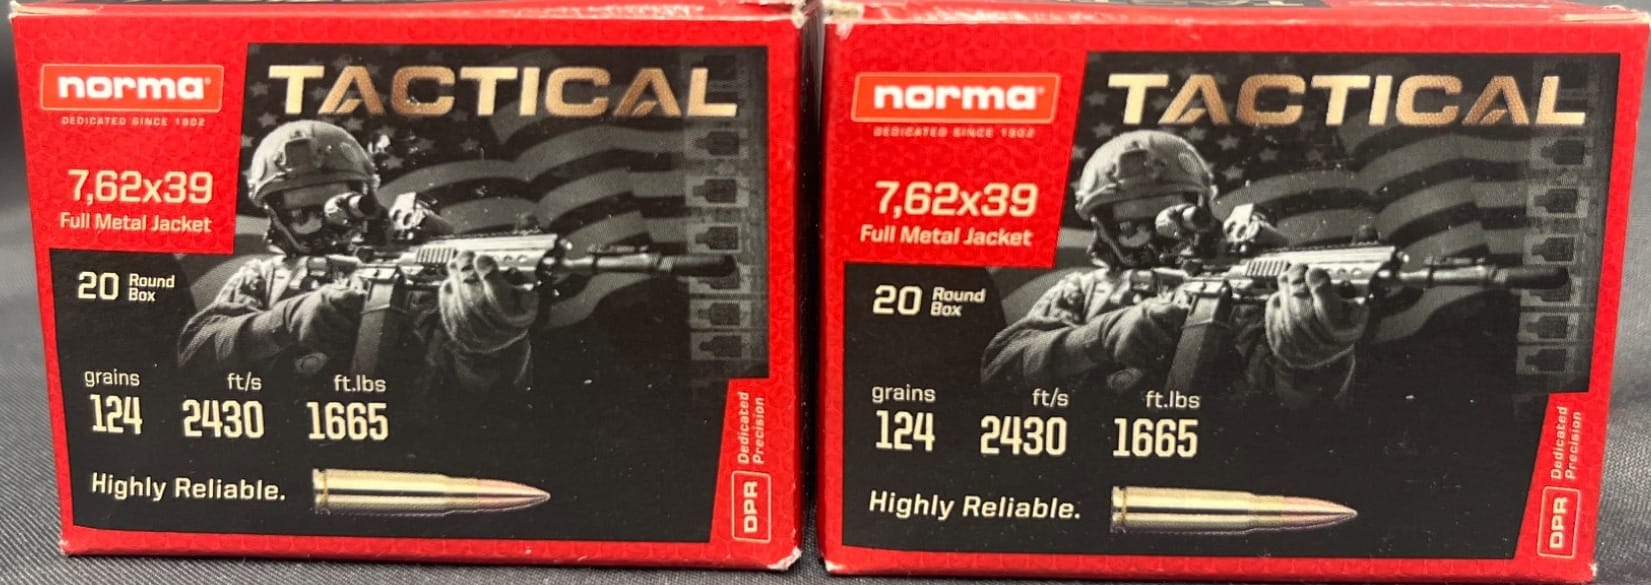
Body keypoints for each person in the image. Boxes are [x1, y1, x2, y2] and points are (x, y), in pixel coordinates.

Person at [980, 130, 1368, 408]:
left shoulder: (1237, 291)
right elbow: (1000, 370)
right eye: (1130, 228)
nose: (1155, 239)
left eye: (1169, 219)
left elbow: (1295, 403)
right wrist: (1102, 336)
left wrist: (1315, 353)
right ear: (1104, 231)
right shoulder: (1082, 292)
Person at [177, 120, 538, 392]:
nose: (327, 224)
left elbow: (481, 392)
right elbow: (194, 355)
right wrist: (285, 320)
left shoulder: (415, 274)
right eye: (303, 215)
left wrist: (488, 342)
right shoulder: (262, 279)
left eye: (340, 205)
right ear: (276, 219)